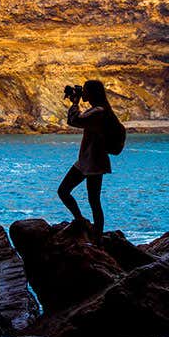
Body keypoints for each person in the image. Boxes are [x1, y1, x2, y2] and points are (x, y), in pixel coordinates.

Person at [57, 80, 117, 234]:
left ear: (92, 93)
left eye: (85, 90)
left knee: (91, 200)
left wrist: (75, 103)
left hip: (94, 162)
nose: (82, 93)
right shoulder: (99, 110)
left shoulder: (98, 112)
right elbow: (77, 120)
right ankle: (83, 223)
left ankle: (95, 235)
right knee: (88, 199)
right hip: (88, 160)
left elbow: (75, 121)